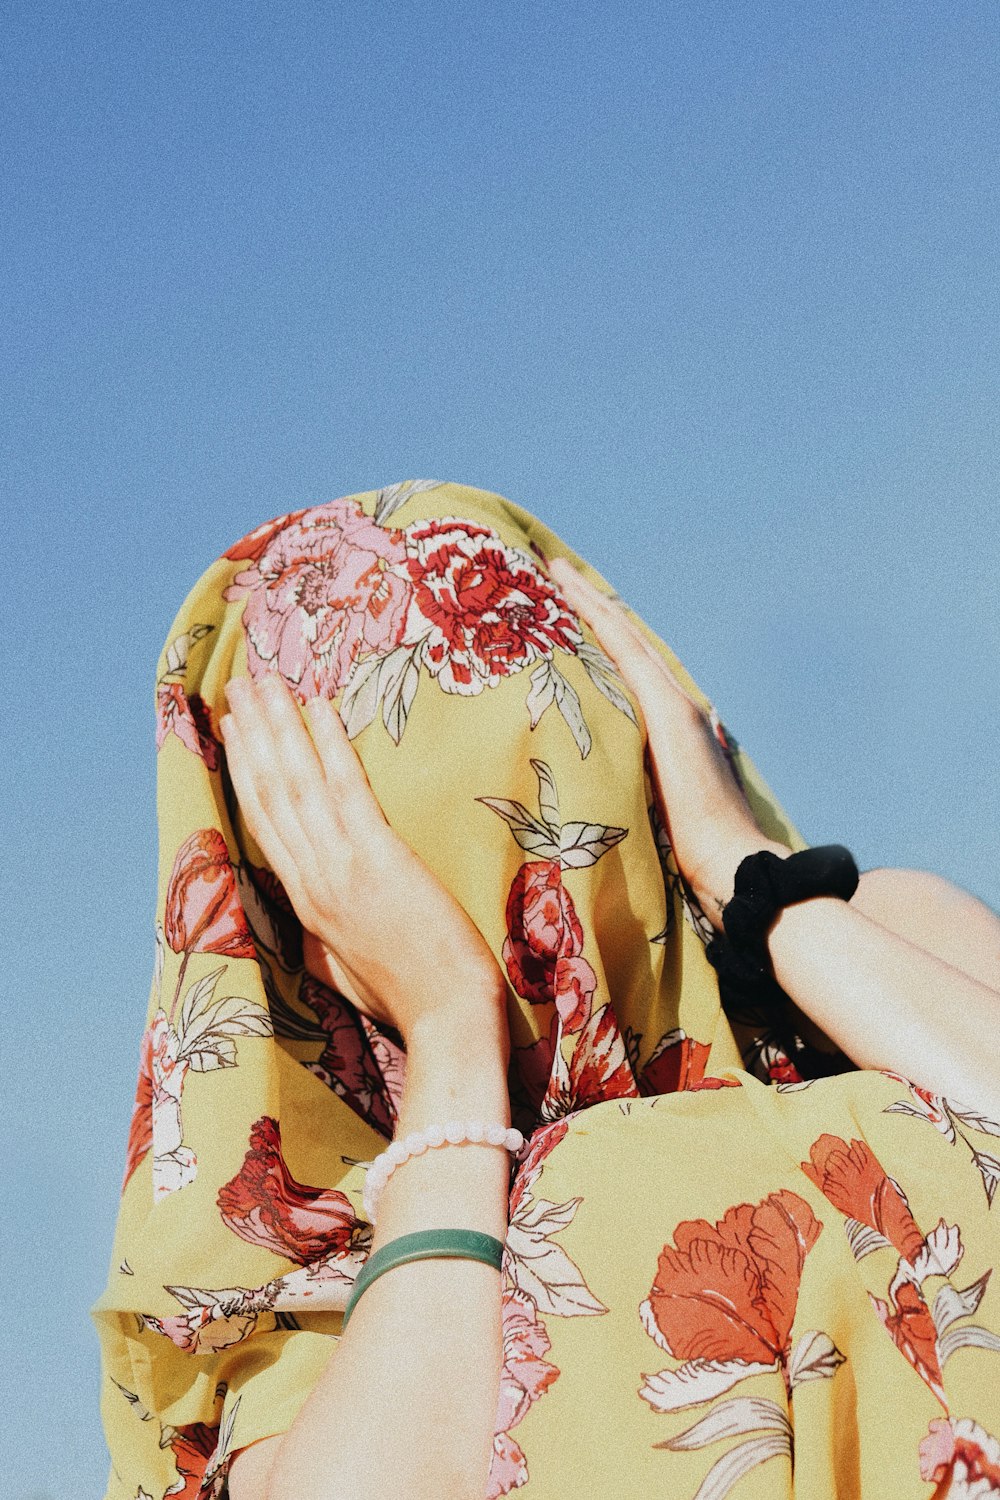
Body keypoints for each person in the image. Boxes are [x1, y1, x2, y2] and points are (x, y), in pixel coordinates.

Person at [90, 481, 1000, 1500]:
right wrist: (450, 1040)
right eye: (363, 847)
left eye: (566, 771)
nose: (534, 884)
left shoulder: (865, 943)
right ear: (281, 897)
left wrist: (746, 875)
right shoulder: (291, 1252)